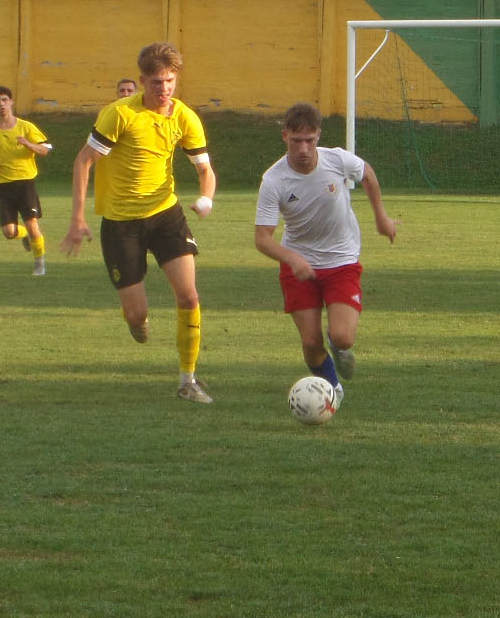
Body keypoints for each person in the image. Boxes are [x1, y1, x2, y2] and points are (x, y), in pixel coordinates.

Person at [64, 42, 218, 403]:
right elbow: (83, 161)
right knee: (137, 313)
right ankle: (135, 320)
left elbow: (205, 169)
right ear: (143, 81)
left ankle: (187, 380)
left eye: (169, 81)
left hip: (166, 214)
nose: (164, 89)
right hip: (121, 224)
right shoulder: (119, 114)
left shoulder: (185, 117)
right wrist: (77, 218)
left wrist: (206, 198)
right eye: (156, 82)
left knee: (189, 296)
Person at [252, 103, 399, 400]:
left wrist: (381, 217)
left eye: (309, 140)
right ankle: (333, 389)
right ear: (285, 136)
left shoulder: (337, 160)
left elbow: (367, 174)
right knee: (310, 343)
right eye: (296, 141)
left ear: (318, 135)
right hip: (298, 266)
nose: (303, 149)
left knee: (343, 337)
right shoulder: (274, 180)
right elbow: (262, 238)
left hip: (341, 261)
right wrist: (292, 258)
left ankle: (338, 346)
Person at [0, 85, 53, 277]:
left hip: (25, 182)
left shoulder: (26, 127)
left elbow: (45, 149)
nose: (1, 104)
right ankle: (24, 234)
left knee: (32, 224)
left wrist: (29, 144)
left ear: (11, 102)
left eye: (5, 100)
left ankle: (40, 264)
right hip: (3, 184)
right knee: (9, 232)